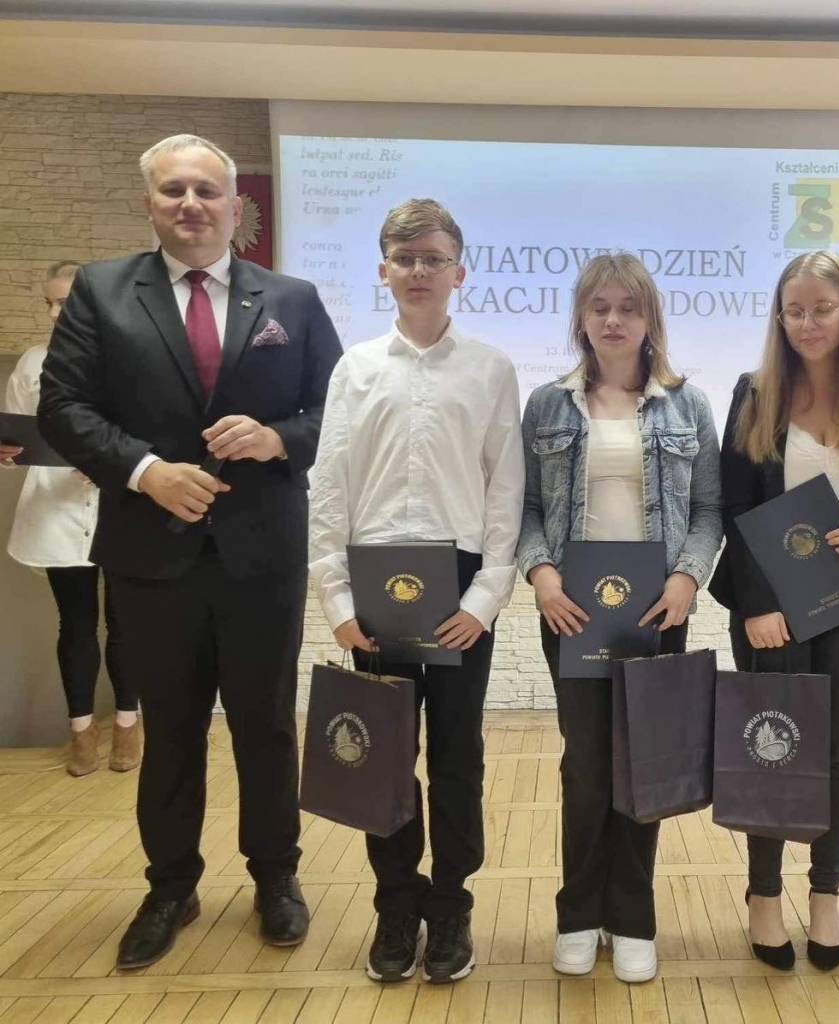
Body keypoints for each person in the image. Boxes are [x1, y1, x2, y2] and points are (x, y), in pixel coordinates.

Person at [38, 133, 342, 970]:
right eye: (173, 190)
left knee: (265, 725)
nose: (190, 204)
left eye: (207, 191)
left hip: (261, 556)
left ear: (235, 208)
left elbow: (336, 410)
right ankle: (170, 887)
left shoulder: (293, 299)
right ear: (148, 204)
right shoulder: (102, 290)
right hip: (150, 554)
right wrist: (145, 472)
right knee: (170, 729)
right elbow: (63, 407)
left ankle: (275, 877)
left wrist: (277, 439)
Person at [309, 198, 524, 985]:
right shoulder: (355, 368)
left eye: (433, 258)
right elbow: (329, 487)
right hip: (375, 586)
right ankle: (395, 905)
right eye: (405, 259)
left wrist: (484, 599)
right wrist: (337, 602)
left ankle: (451, 903)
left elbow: (505, 489)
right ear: (383, 271)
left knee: (457, 756)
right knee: (384, 756)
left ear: (459, 272)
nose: (419, 271)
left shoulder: (491, 369)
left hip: (459, 587)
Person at [709, 250, 839, 972]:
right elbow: (735, 505)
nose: (808, 323)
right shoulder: (754, 392)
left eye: (822, 309)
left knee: (837, 754)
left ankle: (825, 895)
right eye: (794, 310)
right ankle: (763, 898)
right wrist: (756, 605)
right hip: (772, 609)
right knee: (771, 750)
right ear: (779, 316)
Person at [517, 253, 722, 984]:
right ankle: (578, 914)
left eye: (628, 308)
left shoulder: (687, 405)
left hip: (656, 610)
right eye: (599, 306)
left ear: (649, 317)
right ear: (580, 316)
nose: (613, 319)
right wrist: (541, 575)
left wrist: (686, 578)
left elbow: (707, 510)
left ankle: (631, 917)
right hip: (571, 613)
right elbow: (527, 508)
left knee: (646, 763)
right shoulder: (547, 405)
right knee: (585, 765)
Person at [2, 261, 141, 776]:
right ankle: (82, 729)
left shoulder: (133, 357)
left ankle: (128, 722)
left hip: (122, 504)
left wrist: (111, 458)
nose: (55, 313)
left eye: (65, 301)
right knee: (76, 623)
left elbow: (154, 430)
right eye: (50, 303)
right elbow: (19, 429)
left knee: (125, 623)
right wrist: (8, 451)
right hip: (56, 510)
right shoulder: (33, 363)